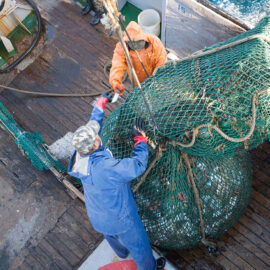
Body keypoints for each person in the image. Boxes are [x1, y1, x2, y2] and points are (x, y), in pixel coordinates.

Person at [68, 93, 166, 270]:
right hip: (121, 219)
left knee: (112, 236)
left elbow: (93, 126)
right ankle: (149, 268)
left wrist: (100, 104)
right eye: (96, 136)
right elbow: (137, 165)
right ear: (96, 144)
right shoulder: (104, 167)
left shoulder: (79, 156)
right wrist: (140, 139)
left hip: (97, 216)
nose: (97, 133)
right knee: (140, 246)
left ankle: (121, 253)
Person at [110, 21, 167, 95]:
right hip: (137, 81)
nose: (136, 45)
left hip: (155, 78)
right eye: (132, 43)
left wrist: (157, 80)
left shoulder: (154, 41)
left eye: (138, 41)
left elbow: (162, 61)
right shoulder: (122, 47)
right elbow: (117, 65)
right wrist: (115, 81)